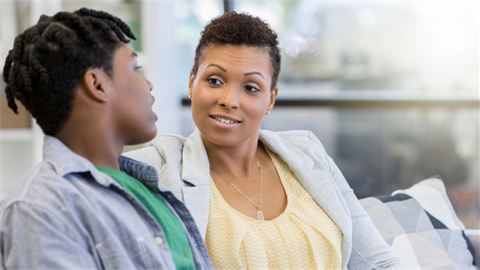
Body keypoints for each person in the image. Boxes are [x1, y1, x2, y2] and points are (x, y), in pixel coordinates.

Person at [125, 12, 404, 269]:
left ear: (270, 98)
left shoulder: (309, 155)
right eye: (214, 80)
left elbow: (377, 261)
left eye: (250, 87)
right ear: (191, 82)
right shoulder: (160, 169)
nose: (229, 100)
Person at [0, 8, 213, 269]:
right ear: (98, 85)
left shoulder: (147, 186)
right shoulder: (39, 206)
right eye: (136, 69)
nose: (148, 84)